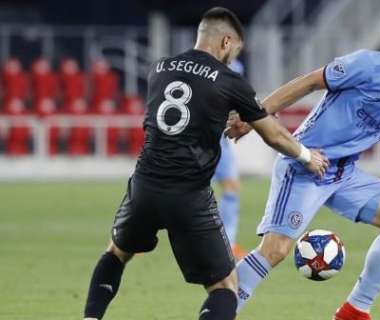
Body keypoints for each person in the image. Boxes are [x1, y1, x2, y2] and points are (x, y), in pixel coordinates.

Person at [82, 7, 328, 320]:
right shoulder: (229, 80)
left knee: (116, 253)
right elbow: (275, 135)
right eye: (235, 50)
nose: (233, 56)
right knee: (225, 286)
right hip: (188, 195)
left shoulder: (159, 68)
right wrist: (307, 157)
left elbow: (187, 108)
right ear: (226, 41)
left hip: (144, 185)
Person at [226, 28, 380, 320]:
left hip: (345, 174)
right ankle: (219, 312)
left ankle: (354, 311)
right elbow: (310, 81)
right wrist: (257, 116)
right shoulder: (369, 65)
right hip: (304, 165)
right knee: (274, 251)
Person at [213, 59, 247, 259]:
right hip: (199, 139)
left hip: (221, 142)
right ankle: (136, 235)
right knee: (179, 191)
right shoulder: (205, 65)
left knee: (231, 188)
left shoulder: (236, 67)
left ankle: (229, 243)